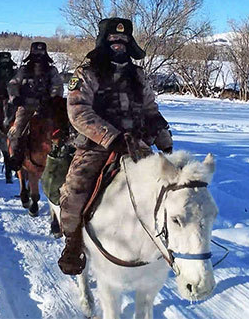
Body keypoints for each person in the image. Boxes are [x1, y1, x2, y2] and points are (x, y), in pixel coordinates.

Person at [57, 17, 173, 276]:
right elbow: (77, 110)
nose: (118, 45)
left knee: (167, 190)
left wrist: (163, 138)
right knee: (75, 191)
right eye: (113, 40)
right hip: (97, 146)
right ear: (103, 42)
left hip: (137, 146)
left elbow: (150, 109)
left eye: (123, 41)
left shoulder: (138, 75)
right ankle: (73, 243)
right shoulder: (86, 72)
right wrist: (111, 137)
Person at [6, 42, 64, 170]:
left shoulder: (52, 70)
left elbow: (57, 86)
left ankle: (65, 156)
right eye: (36, 53)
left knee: (63, 128)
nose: (38, 55)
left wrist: (53, 98)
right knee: (18, 130)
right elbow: (13, 84)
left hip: (47, 107)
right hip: (26, 106)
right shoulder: (23, 70)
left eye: (41, 53)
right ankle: (16, 157)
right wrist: (15, 97)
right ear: (31, 53)